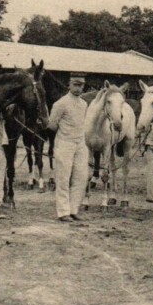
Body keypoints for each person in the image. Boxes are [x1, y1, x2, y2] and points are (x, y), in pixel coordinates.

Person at [47, 73, 89, 222]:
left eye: (82, 85)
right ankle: (63, 212)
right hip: (65, 143)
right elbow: (52, 125)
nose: (79, 88)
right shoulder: (60, 103)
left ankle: (73, 209)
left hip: (80, 144)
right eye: (76, 85)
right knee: (63, 178)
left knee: (81, 177)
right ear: (69, 85)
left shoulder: (84, 104)